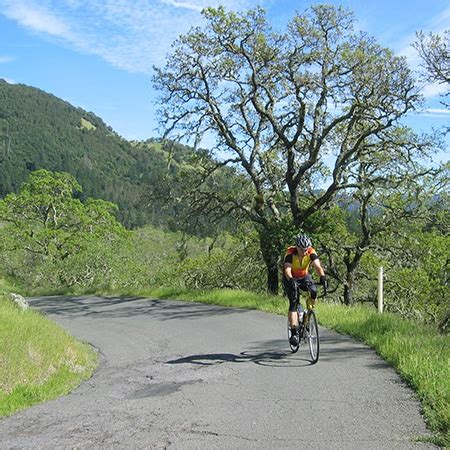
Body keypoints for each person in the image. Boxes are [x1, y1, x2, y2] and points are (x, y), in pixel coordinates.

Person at [283, 234, 328, 346]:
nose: (304, 252)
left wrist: (322, 277)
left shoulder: (311, 252)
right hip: (291, 277)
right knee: (293, 302)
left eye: (306, 249)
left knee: (313, 291)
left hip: (304, 276)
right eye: (302, 249)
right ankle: (294, 333)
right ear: (297, 247)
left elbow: (317, 266)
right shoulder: (290, 252)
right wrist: (291, 279)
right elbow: (287, 268)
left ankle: (308, 316)